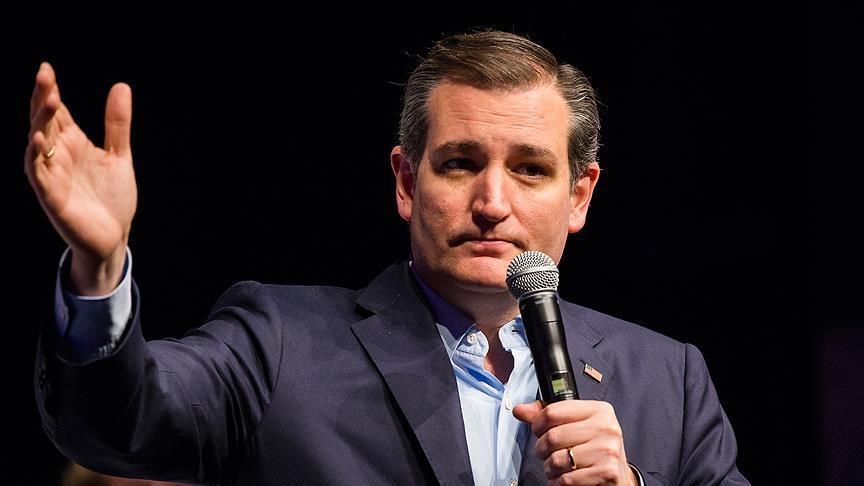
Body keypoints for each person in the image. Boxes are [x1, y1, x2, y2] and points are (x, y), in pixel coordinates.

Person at [27, 30, 749, 485]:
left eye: (530, 169)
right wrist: (100, 269)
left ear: (580, 196)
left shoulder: (669, 381)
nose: (492, 202)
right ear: (406, 182)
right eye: (461, 163)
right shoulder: (280, 344)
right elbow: (116, 425)